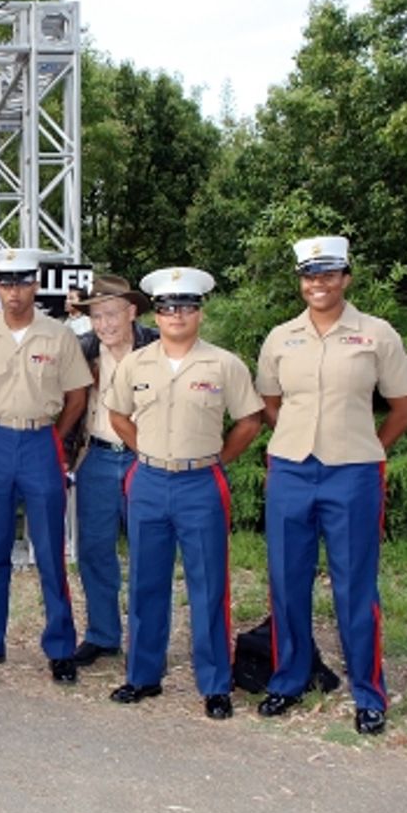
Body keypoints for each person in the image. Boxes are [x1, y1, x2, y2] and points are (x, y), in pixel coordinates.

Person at [255, 236, 407, 735]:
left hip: (353, 474)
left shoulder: (376, 334)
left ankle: (369, 693)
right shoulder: (281, 338)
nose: (318, 284)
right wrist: (298, 438)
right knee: (287, 581)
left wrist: (367, 446)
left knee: (355, 586)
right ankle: (290, 679)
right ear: (300, 282)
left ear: (346, 278)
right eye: (310, 276)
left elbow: (404, 407)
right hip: (290, 471)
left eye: (328, 274)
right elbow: (270, 404)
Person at [104, 267, 263, 720]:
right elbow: (117, 415)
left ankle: (215, 684)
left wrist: (218, 458)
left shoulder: (224, 364)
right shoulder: (136, 363)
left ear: (200, 312)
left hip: (201, 483)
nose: (177, 314)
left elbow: (250, 420)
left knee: (209, 585)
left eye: (187, 306)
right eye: (168, 307)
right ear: (155, 314)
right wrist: (146, 451)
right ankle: (142, 676)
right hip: (149, 481)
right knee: (145, 582)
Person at [0, 248, 90, 684]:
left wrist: (56, 436)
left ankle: (61, 647)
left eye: (22, 282)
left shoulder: (59, 335)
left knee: (49, 550)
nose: (14, 292)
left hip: (40, 442)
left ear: (35, 285)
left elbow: (77, 395)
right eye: (6, 283)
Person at [70, 275, 157, 667]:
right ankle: (103, 635)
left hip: (146, 459)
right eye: (96, 316)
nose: (103, 324)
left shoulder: (158, 346)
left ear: (132, 311)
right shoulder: (82, 350)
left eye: (111, 314)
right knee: (94, 550)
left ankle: (147, 640)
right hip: (97, 457)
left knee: (148, 551)